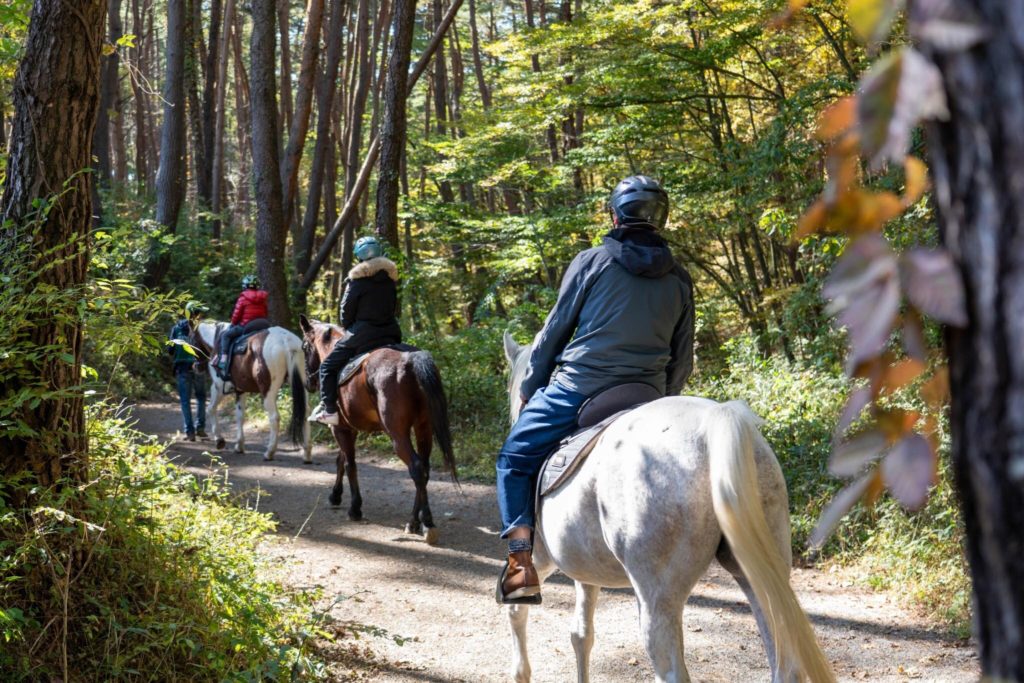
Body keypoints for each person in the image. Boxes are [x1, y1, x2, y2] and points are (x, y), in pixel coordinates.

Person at [496, 175, 695, 604]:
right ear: (661, 218)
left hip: (580, 387)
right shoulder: (679, 277)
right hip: (648, 394)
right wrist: (665, 400)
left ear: (615, 213)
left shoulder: (592, 261)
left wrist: (531, 385)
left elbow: (552, 334)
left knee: (513, 458)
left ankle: (520, 566)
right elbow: (683, 358)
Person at [309, 235, 402, 426]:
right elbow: (393, 307)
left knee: (326, 367)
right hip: (391, 332)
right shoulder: (390, 280)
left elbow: (345, 313)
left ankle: (330, 411)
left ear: (359, 257)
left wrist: (351, 327)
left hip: (362, 334)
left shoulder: (356, 282)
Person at [169, 301, 210, 441]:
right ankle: (200, 429)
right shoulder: (202, 330)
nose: (201, 315)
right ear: (196, 314)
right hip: (198, 367)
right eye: (200, 313)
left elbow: (170, 350)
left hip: (182, 368)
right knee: (201, 398)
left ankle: (190, 432)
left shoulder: (176, 329)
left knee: (185, 401)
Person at [215, 274, 269, 379]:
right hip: (263, 324)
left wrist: (233, 323)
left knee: (225, 335)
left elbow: (236, 314)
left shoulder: (243, 297)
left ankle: (223, 360)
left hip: (247, 325)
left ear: (244, 286)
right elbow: (265, 312)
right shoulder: (263, 297)